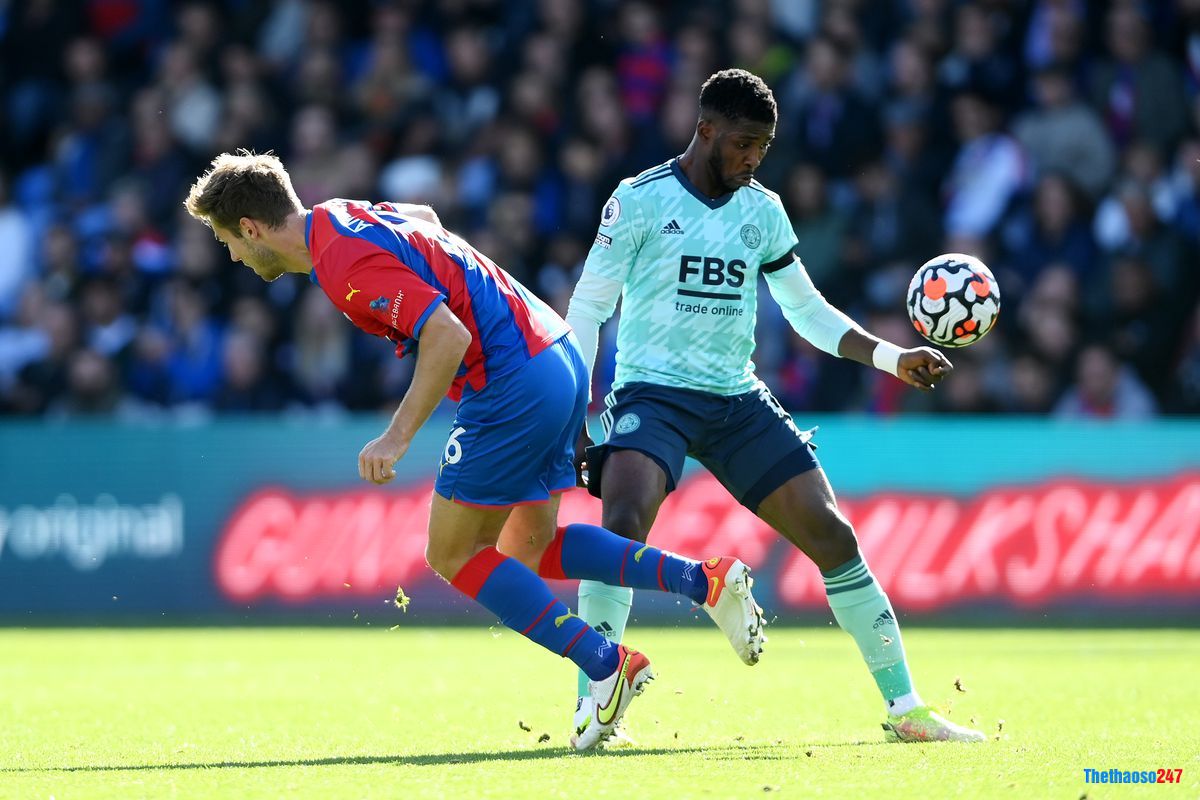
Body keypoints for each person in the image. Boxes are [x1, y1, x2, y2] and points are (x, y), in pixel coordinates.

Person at [183, 151, 766, 751]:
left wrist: (397, 435)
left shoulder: (341, 263)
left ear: (251, 228)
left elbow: (448, 334)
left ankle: (604, 662)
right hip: (555, 350)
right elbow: (426, 216)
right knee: (529, 549)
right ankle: (706, 581)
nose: (231, 254)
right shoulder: (338, 216)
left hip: (511, 377)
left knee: (453, 552)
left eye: (228, 240)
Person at [566, 69, 985, 743]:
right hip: (653, 394)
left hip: (736, 399)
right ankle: (594, 701)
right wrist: (574, 412)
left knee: (834, 536)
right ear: (705, 130)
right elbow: (587, 309)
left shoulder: (762, 210)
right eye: (742, 143)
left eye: (763, 146)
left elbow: (807, 313)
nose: (753, 158)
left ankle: (905, 709)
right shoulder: (638, 200)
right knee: (619, 527)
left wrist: (890, 356)